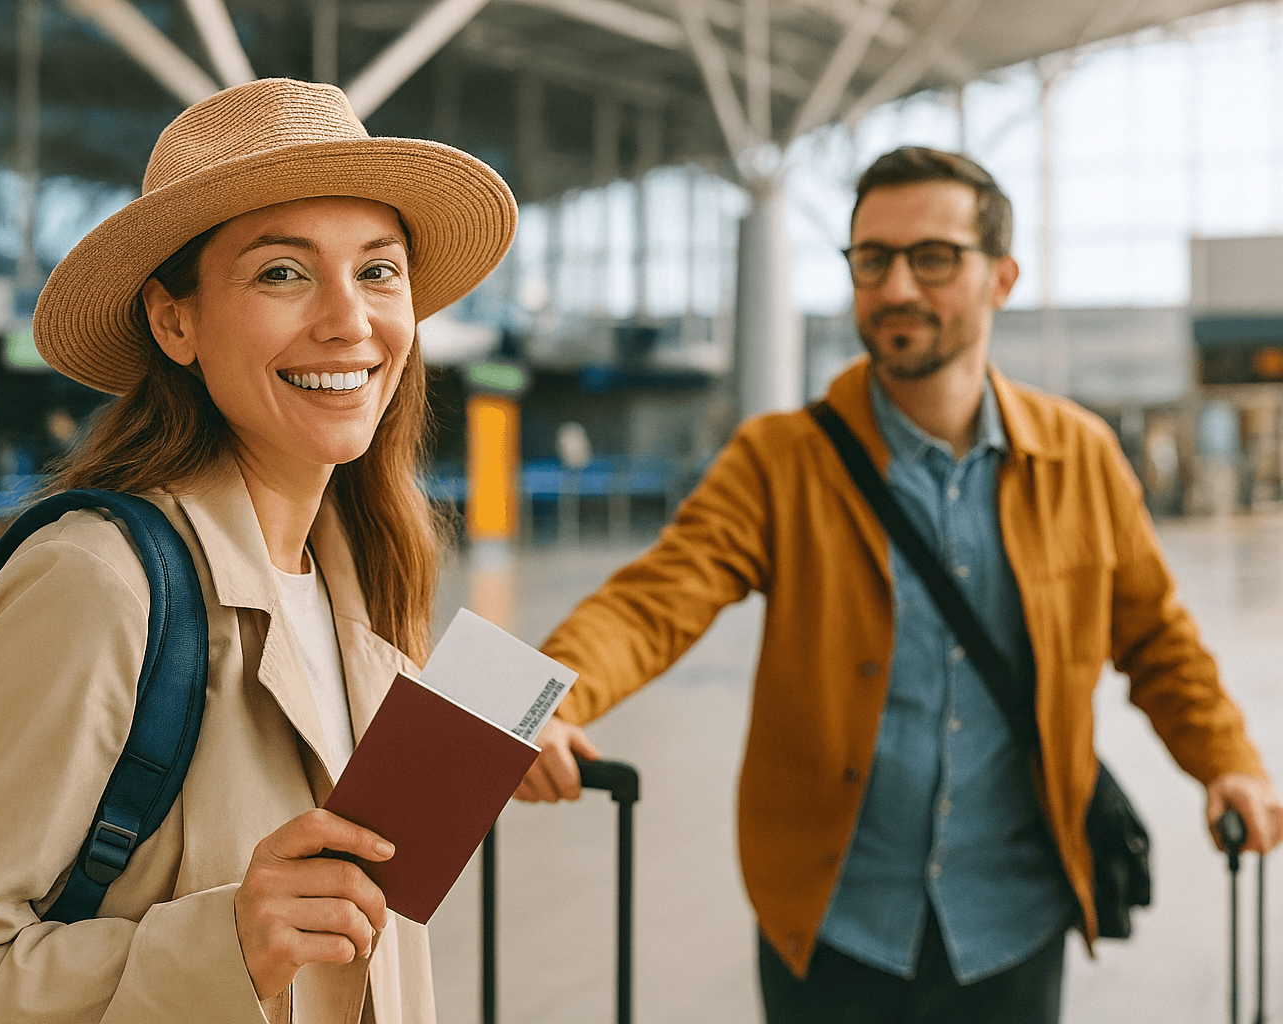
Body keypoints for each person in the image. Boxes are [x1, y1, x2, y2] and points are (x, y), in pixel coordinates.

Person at [516, 146, 1282, 1023]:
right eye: (872, 259)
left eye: (934, 258)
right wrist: (551, 696)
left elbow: (1157, 639)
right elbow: (654, 600)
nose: (897, 287)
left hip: (1014, 923)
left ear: (1001, 277)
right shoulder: (781, 461)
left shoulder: (1079, 459)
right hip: (834, 924)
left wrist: (1230, 763)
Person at [0, 78, 516, 1023]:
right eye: (283, 272)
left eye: (378, 270)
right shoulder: (94, 587)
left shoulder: (365, 575)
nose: (349, 320)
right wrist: (228, 945)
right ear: (177, 322)